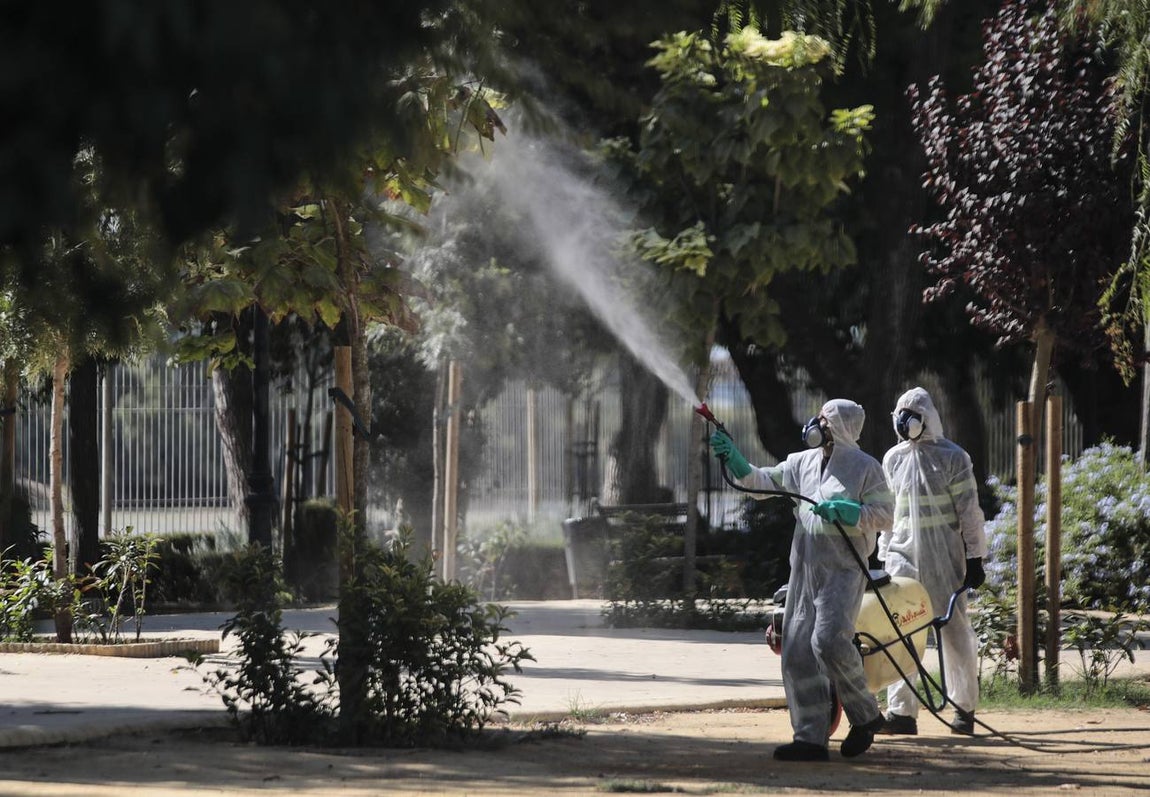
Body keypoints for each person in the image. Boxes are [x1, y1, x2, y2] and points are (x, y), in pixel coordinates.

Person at [710, 399, 893, 762]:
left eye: (823, 419)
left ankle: (866, 715)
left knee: (828, 641)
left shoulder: (865, 468)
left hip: (843, 569)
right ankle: (810, 738)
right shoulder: (800, 462)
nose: (815, 423)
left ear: (837, 426)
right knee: (795, 651)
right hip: (805, 566)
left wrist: (852, 512)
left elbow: (885, 516)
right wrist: (735, 459)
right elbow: (762, 482)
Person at [877, 386, 987, 736]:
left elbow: (970, 513)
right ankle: (902, 713)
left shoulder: (954, 458)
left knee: (953, 632)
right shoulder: (892, 458)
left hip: (945, 559)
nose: (903, 421)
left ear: (926, 419)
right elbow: (890, 513)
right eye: (901, 414)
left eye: (911, 415)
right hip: (903, 559)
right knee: (901, 633)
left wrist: (975, 557)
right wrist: (884, 553)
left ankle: (963, 709)